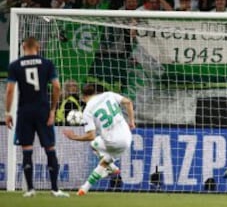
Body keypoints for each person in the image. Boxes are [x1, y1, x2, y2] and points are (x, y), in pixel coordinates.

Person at [5, 37, 69, 197]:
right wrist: (53, 109)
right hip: (43, 110)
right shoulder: (47, 64)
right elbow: (56, 86)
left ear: (23, 47)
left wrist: (7, 112)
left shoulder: (15, 65)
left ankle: (30, 190)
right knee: (50, 148)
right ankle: (55, 189)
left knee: (27, 149)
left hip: (25, 111)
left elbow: (10, 90)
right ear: (38, 47)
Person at [63, 84, 136, 196]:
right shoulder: (109, 94)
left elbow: (90, 136)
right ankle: (84, 189)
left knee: (93, 144)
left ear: (83, 97)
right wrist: (131, 121)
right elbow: (128, 102)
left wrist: (74, 137)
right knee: (105, 161)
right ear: (95, 92)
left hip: (113, 142)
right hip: (127, 138)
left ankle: (111, 167)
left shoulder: (87, 110)